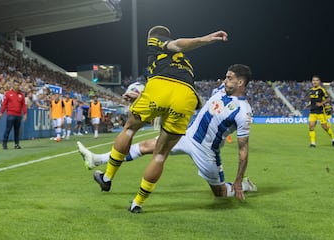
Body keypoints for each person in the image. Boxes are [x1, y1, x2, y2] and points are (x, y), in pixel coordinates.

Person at [92, 25, 228, 213]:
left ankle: (107, 179)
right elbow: (176, 93)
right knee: (160, 155)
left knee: (129, 129)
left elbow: (177, 45)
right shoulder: (185, 63)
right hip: (187, 96)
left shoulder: (156, 40)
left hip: (161, 87)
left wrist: (205, 39)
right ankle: (137, 203)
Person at [92, 66, 253, 215]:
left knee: (220, 193)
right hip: (187, 135)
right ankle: (101, 162)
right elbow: (189, 102)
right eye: (226, 77)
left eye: (229, 78)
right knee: (146, 146)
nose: (225, 81)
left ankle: (244, 186)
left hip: (206, 151)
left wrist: (238, 180)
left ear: (240, 82)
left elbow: (243, 150)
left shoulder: (243, 111)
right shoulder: (220, 90)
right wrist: (142, 97)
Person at [306, 75, 334, 147]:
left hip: (320, 111)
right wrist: (309, 104)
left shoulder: (321, 89)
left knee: (325, 127)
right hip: (312, 111)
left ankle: (333, 139)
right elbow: (312, 100)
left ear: (319, 81)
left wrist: (321, 103)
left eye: (316, 80)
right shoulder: (311, 90)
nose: (315, 82)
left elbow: (327, 98)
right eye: (313, 80)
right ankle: (313, 143)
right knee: (311, 126)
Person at [0, 79, 27, 149]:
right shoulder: (8, 94)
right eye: (15, 85)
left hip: (18, 115)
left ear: (19, 86)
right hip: (10, 114)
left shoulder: (21, 95)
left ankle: (16, 144)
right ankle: (4, 143)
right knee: (8, 129)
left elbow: (23, 105)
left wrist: (25, 114)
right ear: (13, 85)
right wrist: (1, 112)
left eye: (18, 85)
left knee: (17, 130)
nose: (16, 86)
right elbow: (4, 104)